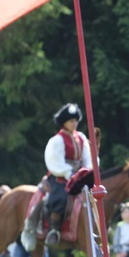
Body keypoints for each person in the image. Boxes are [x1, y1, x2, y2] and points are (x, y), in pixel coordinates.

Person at [44, 103, 93, 245]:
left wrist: (87, 172)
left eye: (75, 120)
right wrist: (69, 173)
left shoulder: (81, 138)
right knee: (61, 197)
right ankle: (54, 229)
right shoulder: (57, 140)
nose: (74, 123)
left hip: (79, 175)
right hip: (60, 176)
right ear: (64, 122)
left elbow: (87, 158)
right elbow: (55, 161)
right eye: (71, 121)